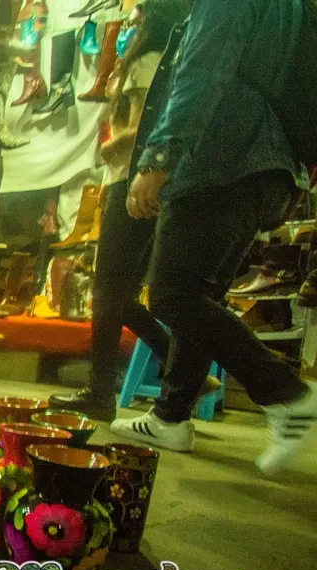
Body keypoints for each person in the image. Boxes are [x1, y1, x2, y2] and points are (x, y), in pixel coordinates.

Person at [119, 0, 317, 475]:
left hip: (223, 155)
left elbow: (203, 69)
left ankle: (286, 394)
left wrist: (158, 157)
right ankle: (171, 416)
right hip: (271, 165)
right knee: (202, 293)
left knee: (171, 294)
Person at [50, 0, 191, 421]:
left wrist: (113, 145)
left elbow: (145, 123)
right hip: (138, 179)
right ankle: (178, 365)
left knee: (107, 292)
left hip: (129, 179)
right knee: (119, 296)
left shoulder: (149, 58)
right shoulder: (167, 56)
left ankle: (99, 392)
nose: (133, 19)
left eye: (140, 13)